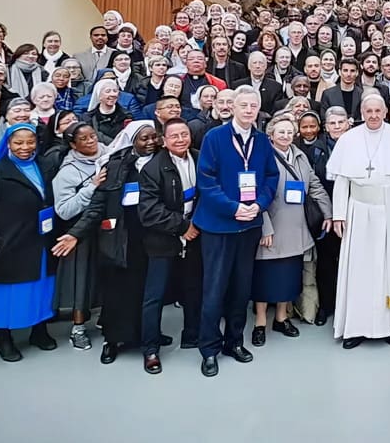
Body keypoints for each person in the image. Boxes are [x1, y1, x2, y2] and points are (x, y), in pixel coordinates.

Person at [192, 86, 280, 377]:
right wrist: (233, 208)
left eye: (253, 106)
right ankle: (209, 349)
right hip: (220, 225)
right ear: (231, 107)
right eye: (243, 105)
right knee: (214, 289)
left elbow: (271, 176)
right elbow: (206, 181)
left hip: (250, 224)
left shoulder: (262, 141)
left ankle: (234, 341)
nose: (248, 110)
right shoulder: (214, 138)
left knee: (242, 289)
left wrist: (259, 204)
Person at [327, 94, 390, 348]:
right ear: (362, 112)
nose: (373, 115)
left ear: (385, 111)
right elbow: (341, 182)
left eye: (377, 110)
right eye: (368, 111)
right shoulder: (349, 139)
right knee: (359, 270)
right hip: (359, 211)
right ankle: (356, 328)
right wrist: (339, 214)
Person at [0, 123, 59, 361]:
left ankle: (39, 331)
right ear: (7, 144)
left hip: (39, 241)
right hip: (8, 244)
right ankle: (4, 338)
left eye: (30, 142)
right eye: (18, 143)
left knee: (39, 288)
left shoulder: (44, 167)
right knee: (4, 293)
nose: (25, 147)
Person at [71, 121, 160, 364]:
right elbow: (98, 205)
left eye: (154, 137)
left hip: (153, 237)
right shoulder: (116, 165)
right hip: (121, 238)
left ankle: (148, 336)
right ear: (133, 141)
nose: (151, 142)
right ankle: (113, 341)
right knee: (117, 293)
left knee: (148, 292)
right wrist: (75, 233)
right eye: (144, 138)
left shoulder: (163, 161)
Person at [250, 114, 331, 346]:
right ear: (271, 135)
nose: (285, 135)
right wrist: (264, 226)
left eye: (289, 131)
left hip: (297, 227)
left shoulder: (300, 156)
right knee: (265, 278)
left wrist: (329, 212)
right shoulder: (262, 158)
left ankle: (282, 318)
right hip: (272, 227)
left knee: (289, 277)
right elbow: (255, 194)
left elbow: (314, 185)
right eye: (280, 132)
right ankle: (260, 322)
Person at [138, 118, 202, 373]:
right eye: (174, 136)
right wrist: (181, 226)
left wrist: (195, 225)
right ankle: (150, 349)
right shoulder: (152, 168)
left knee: (194, 289)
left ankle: (193, 335)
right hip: (163, 239)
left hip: (196, 235)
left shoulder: (199, 158)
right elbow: (149, 211)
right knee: (154, 296)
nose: (180, 139)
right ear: (164, 140)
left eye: (184, 134)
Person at [50, 122, 107, 350]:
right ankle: (78, 327)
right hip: (80, 230)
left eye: (92, 135)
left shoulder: (109, 156)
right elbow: (63, 209)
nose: (91, 141)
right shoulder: (67, 171)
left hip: (107, 226)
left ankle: (106, 318)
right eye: (84, 139)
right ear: (73, 144)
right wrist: (91, 187)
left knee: (107, 277)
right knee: (80, 281)